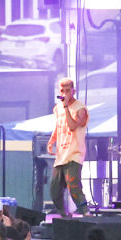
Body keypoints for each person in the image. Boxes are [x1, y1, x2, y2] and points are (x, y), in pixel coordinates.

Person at [47, 76, 90, 216]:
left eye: (67, 90)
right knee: (54, 189)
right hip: (61, 154)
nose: (64, 93)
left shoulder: (80, 108)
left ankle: (85, 212)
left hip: (74, 153)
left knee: (73, 186)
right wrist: (52, 140)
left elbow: (72, 126)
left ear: (73, 91)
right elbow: (59, 126)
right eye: (62, 90)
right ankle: (64, 215)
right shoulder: (57, 108)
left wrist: (66, 107)